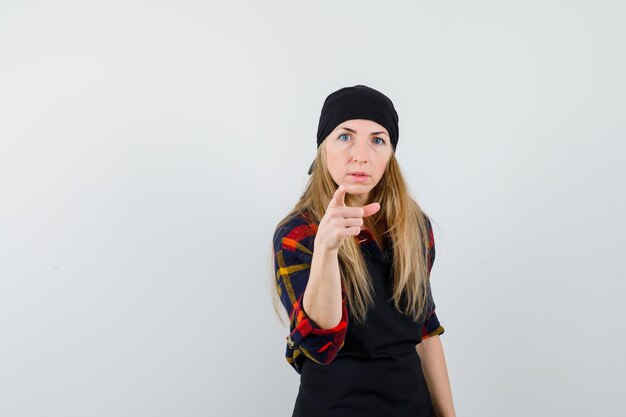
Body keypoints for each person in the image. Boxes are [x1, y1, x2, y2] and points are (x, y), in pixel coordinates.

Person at [270, 85, 456, 417]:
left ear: (390, 154)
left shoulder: (414, 228)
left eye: (377, 139)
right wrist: (327, 250)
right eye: (345, 136)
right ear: (323, 147)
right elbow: (319, 344)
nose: (361, 155)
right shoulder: (297, 235)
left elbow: (425, 334)